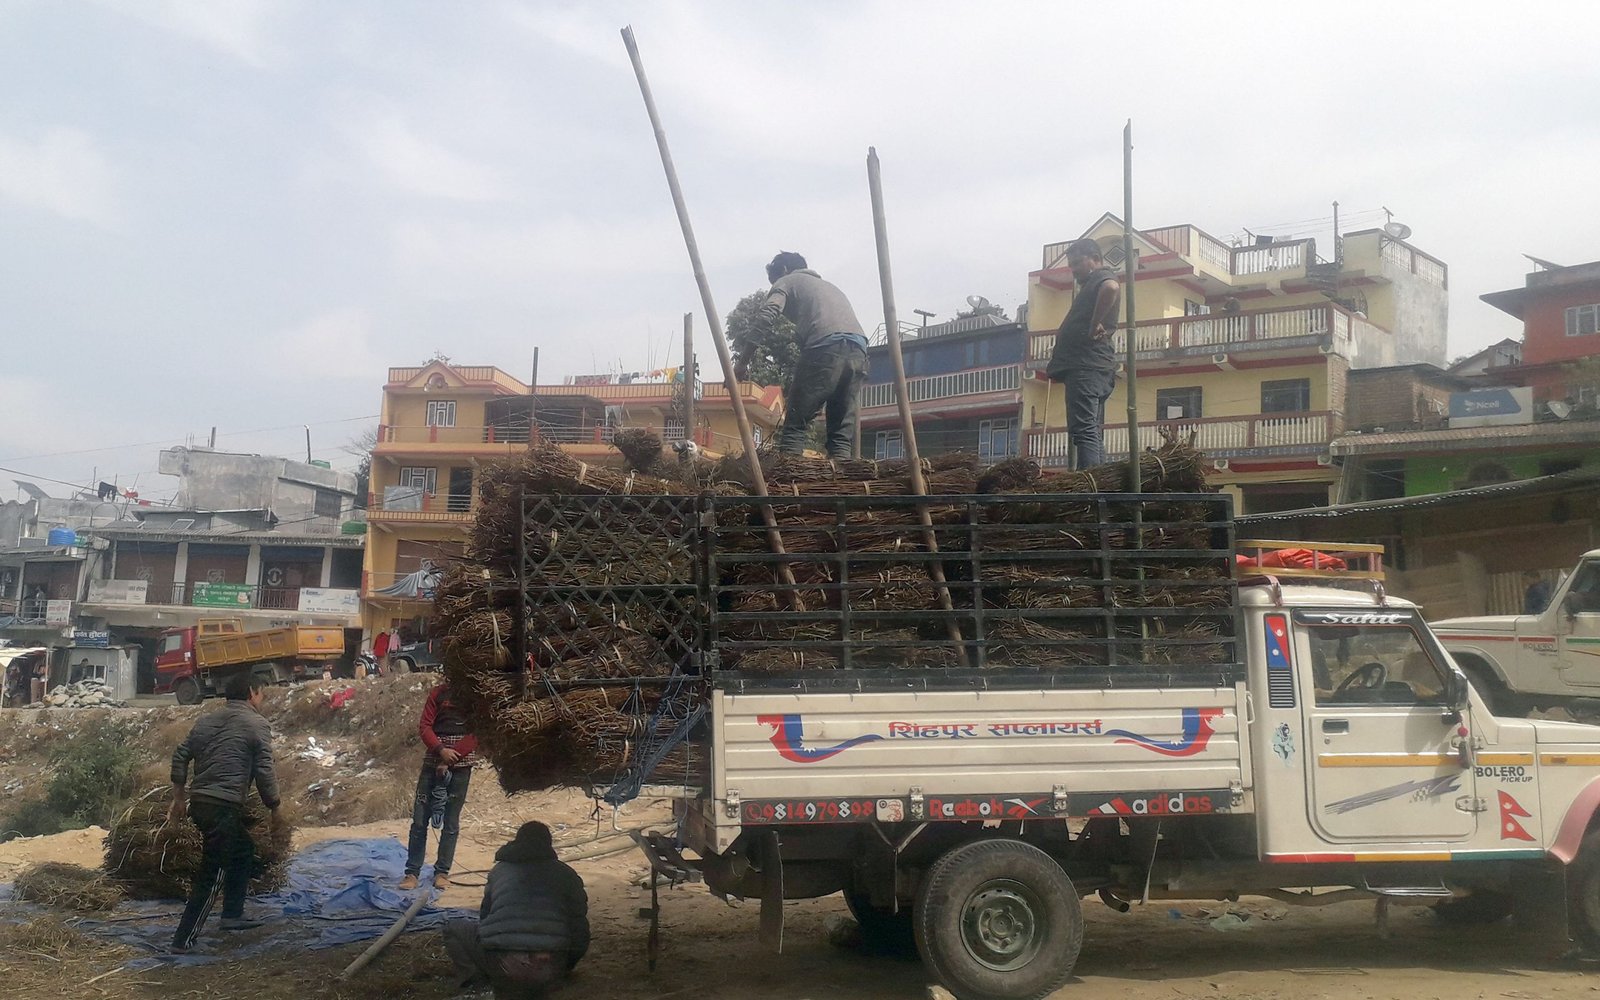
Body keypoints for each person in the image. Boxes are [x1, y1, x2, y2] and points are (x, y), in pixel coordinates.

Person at [168, 672, 282, 952]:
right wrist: (275, 807)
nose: (262, 699)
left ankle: (232, 915)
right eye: (261, 694)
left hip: (200, 803)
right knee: (213, 872)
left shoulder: (206, 721)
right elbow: (264, 771)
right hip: (222, 806)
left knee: (243, 849)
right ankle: (183, 940)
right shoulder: (257, 724)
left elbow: (180, 755)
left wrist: (179, 798)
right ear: (252, 693)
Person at [743, 251, 870, 461]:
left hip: (824, 346)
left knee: (795, 424)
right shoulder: (830, 288)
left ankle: (787, 475)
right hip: (859, 351)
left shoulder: (787, 280)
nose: (774, 284)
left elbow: (767, 315)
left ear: (784, 270)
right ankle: (842, 478)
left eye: (773, 280)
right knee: (840, 434)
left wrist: (742, 363)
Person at [443, 821, 590, 999]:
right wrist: (566, 966)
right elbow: (580, 929)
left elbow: (485, 916)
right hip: (550, 968)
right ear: (549, 844)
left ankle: (478, 987)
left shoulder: (499, 871)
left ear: (517, 841)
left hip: (503, 965)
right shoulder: (567, 875)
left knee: (452, 927)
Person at [1045, 238, 1122, 470]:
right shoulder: (1093, 282)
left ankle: (1089, 481)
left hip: (1085, 367)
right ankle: (1097, 478)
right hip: (1095, 367)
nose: (1074, 269)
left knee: (1085, 429)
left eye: (1078, 263)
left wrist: (1094, 322)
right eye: (1071, 265)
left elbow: (1111, 288)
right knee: (1091, 429)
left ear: (1095, 259)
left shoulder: (1101, 277)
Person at [400, 680, 478, 890]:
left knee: (450, 822)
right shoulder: (438, 693)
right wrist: (441, 750)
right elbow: (425, 726)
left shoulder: (475, 694)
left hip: (461, 765)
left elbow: (478, 732)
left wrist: (454, 755)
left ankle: (442, 872)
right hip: (433, 761)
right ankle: (412, 873)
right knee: (419, 820)